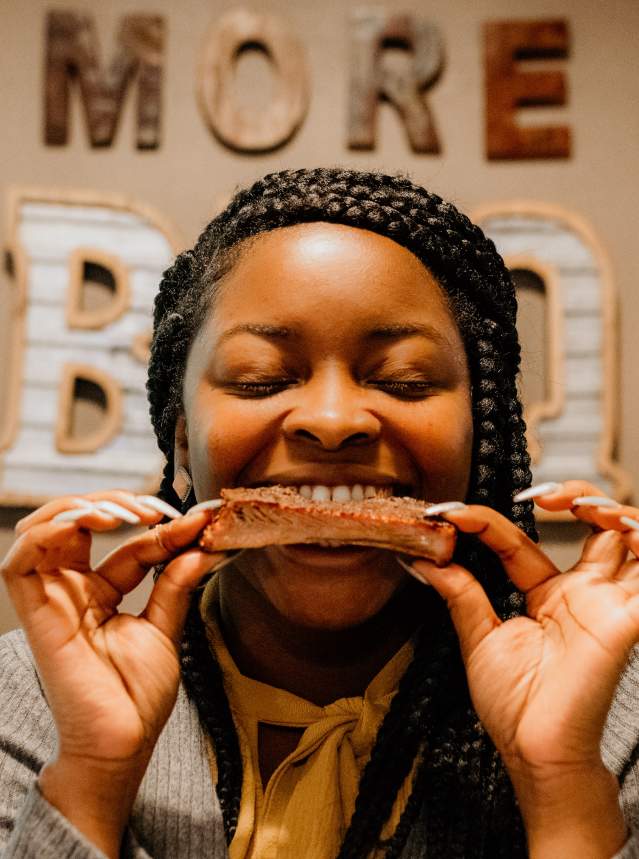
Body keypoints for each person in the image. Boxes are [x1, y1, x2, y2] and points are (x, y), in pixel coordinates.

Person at [2, 167, 639, 859]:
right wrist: (93, 774)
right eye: (260, 379)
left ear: (480, 433)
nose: (332, 421)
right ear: (181, 433)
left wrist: (560, 781)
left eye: (406, 380)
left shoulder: (612, 714)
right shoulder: (31, 698)